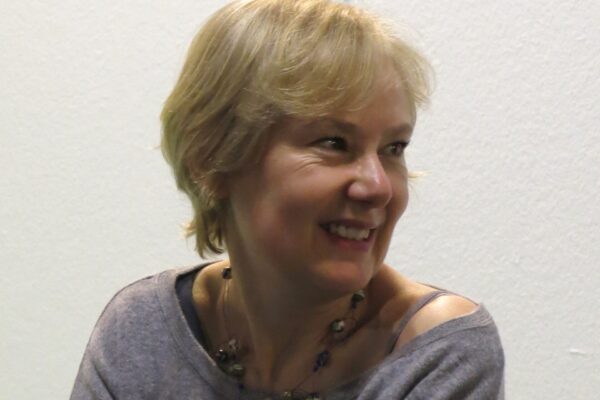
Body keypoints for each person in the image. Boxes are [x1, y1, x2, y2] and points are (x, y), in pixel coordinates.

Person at [71, 0, 505, 399]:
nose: (379, 186)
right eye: (334, 142)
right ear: (212, 160)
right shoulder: (143, 328)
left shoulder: (437, 353)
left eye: (393, 148)